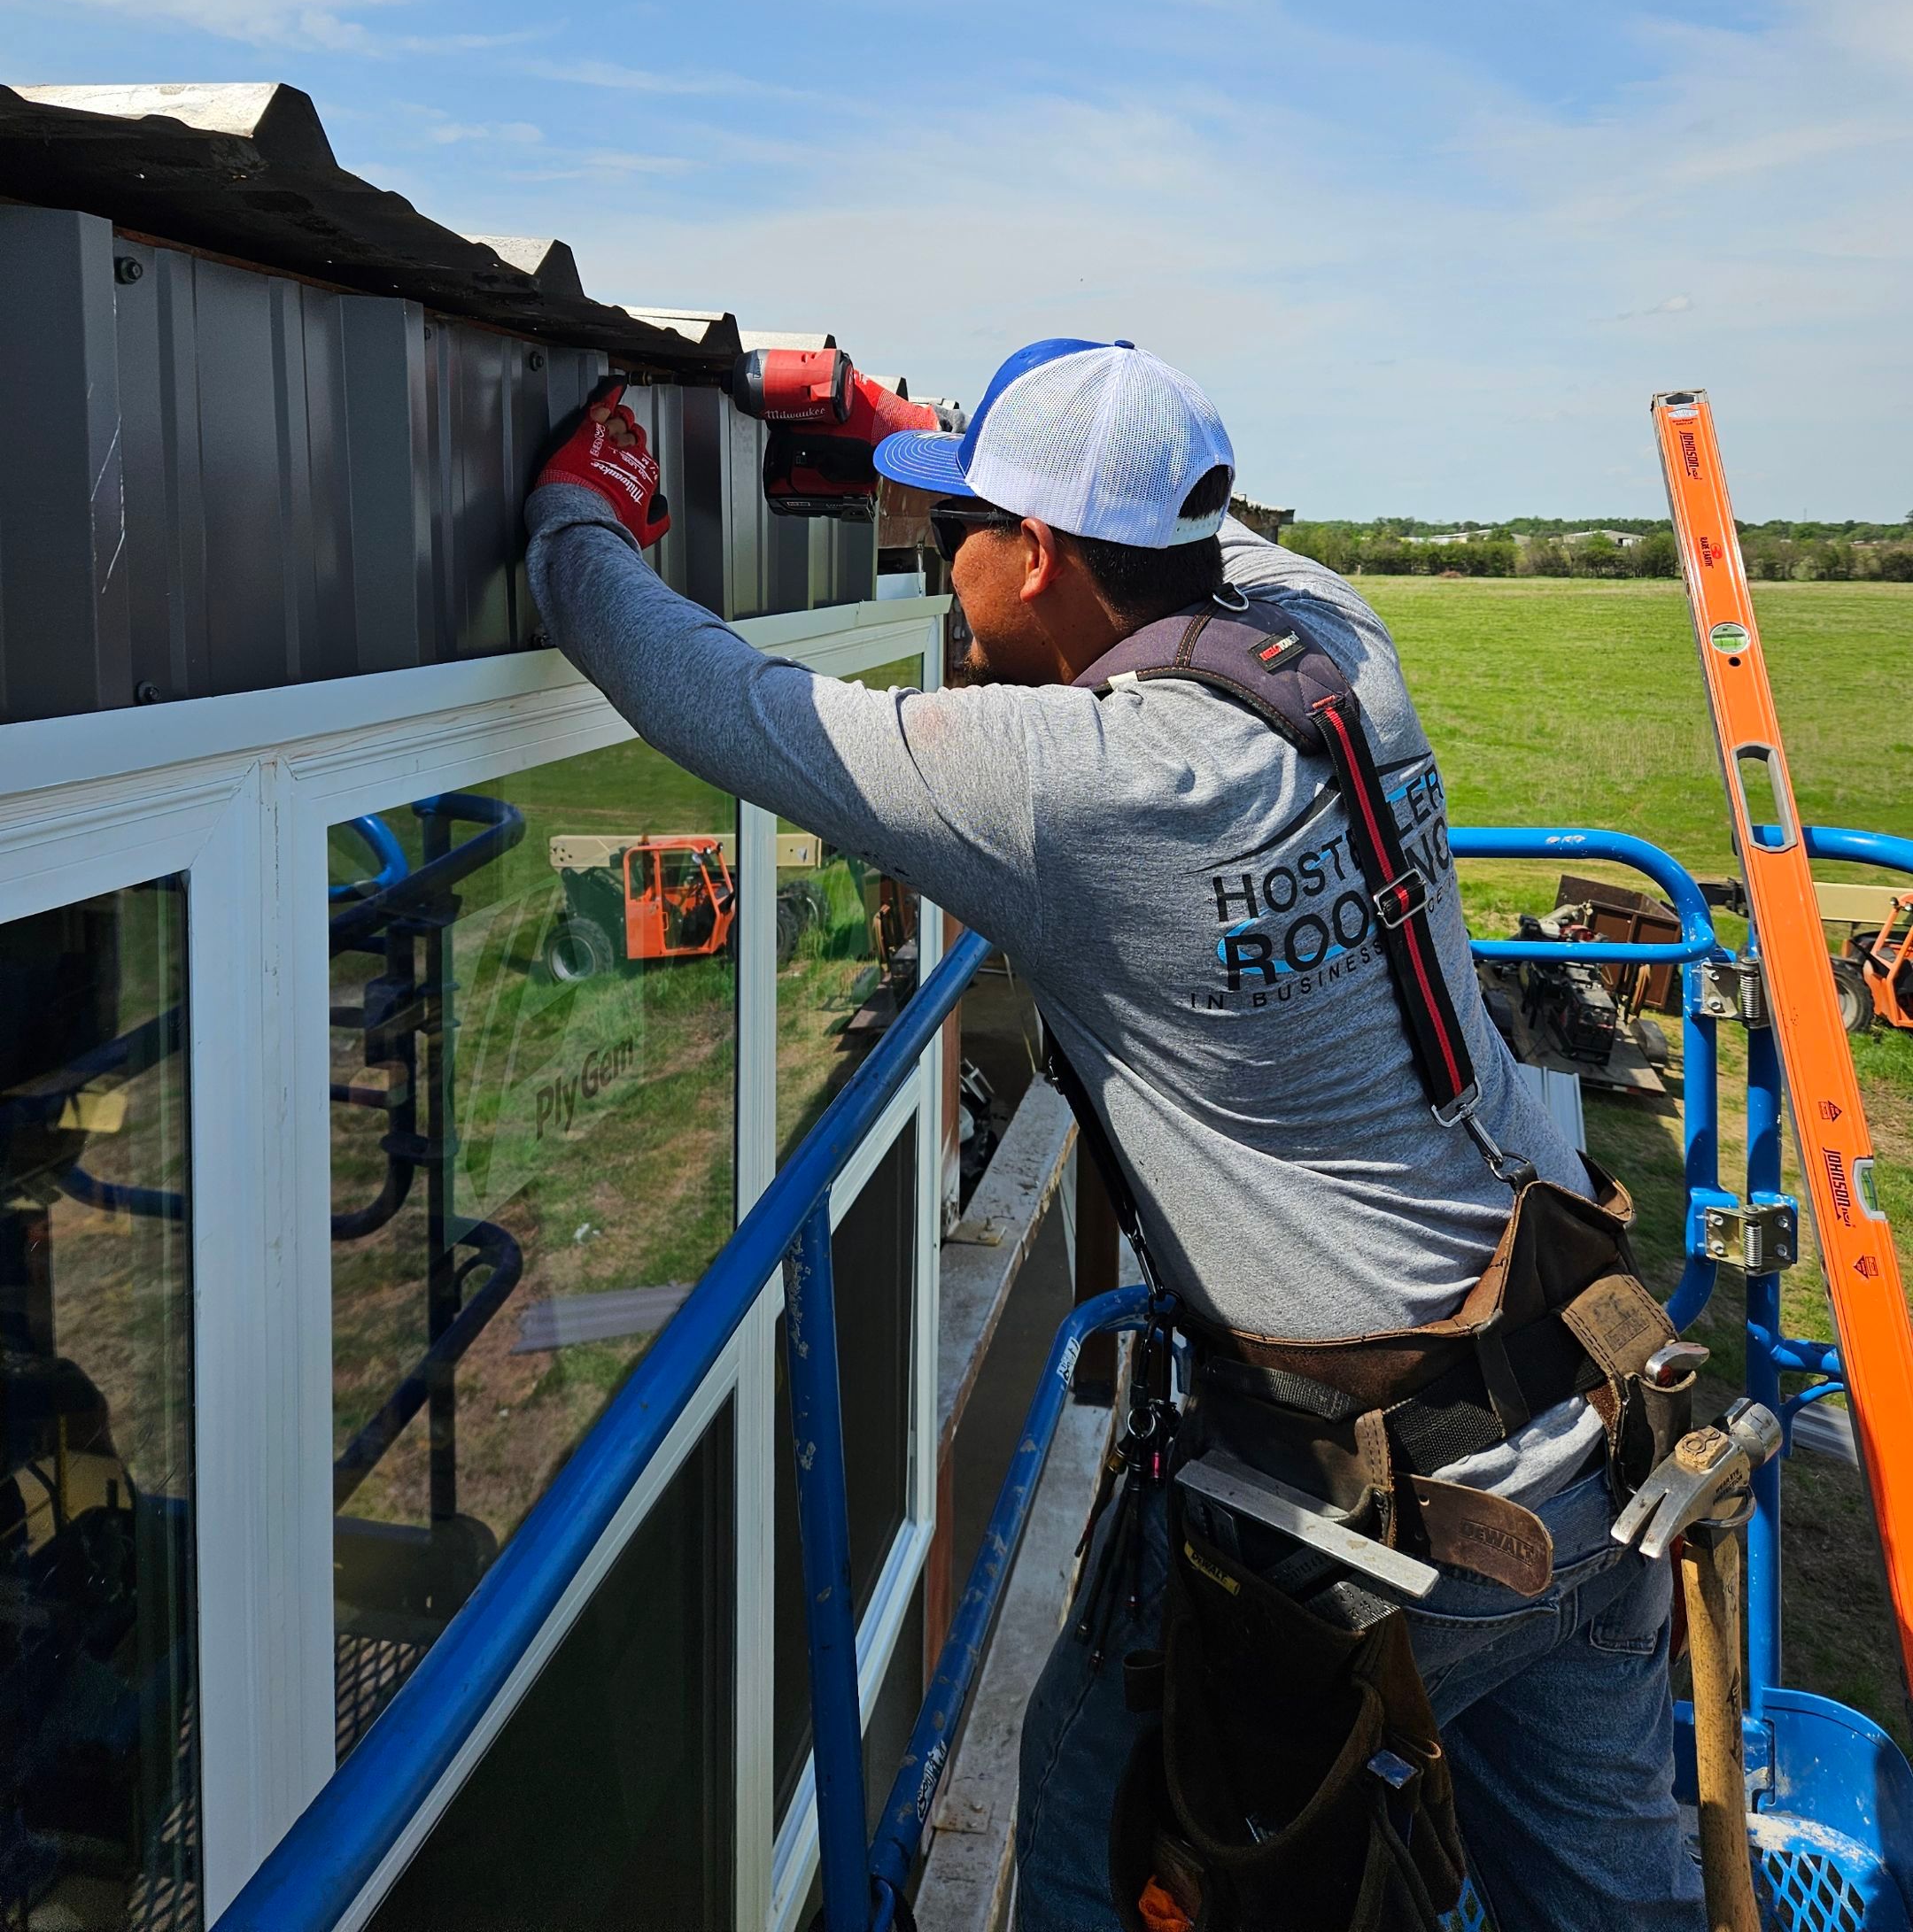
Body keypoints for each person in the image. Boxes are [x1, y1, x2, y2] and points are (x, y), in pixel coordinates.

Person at [525, 337, 1703, 1932]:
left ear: (1042, 555)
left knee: (1102, 1835)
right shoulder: (1339, 638)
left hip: (1383, 1523)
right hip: (1599, 1405)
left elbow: (724, 702)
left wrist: (577, 522)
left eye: (961, 534)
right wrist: (933, 436)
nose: (942, 569)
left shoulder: (1073, 786)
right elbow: (1211, 534)